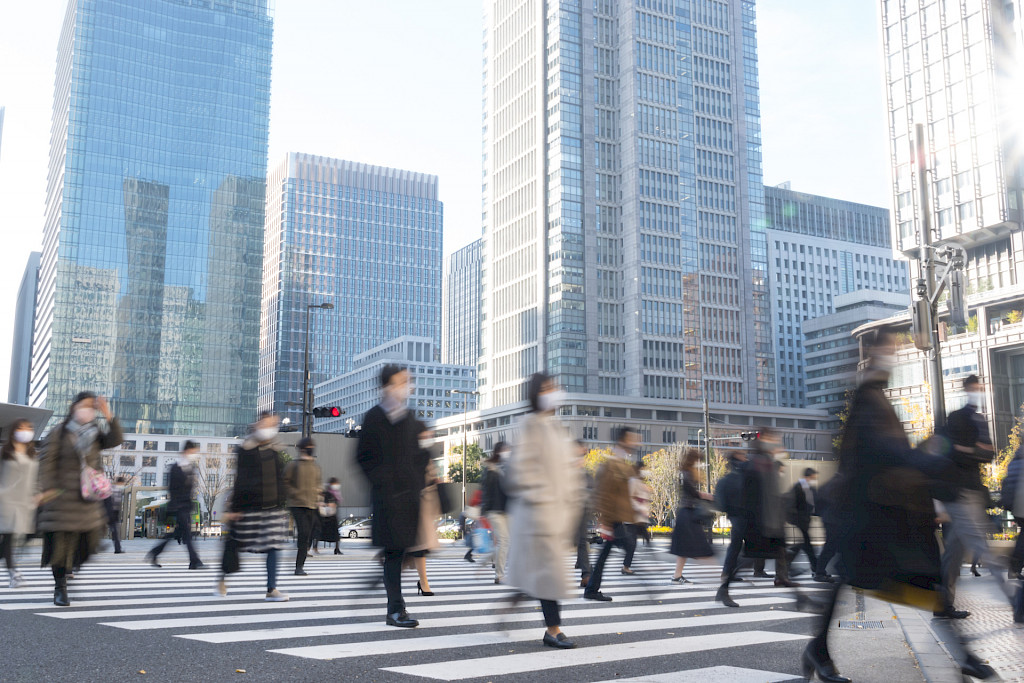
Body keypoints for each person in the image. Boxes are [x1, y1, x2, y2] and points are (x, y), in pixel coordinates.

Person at [805, 326, 995, 682]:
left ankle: (818, 650)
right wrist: (932, 458)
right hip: (870, 514)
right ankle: (818, 650)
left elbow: (890, 453)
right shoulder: (867, 399)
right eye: (889, 351)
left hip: (878, 512)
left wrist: (926, 458)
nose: (892, 358)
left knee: (919, 578)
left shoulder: (874, 397)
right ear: (873, 356)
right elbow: (883, 451)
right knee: (915, 577)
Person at [506, 372, 583, 648]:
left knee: (544, 572)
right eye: (549, 388)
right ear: (537, 393)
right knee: (549, 574)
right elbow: (521, 471)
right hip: (539, 513)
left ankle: (517, 597)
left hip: (556, 513)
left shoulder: (554, 426)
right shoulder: (530, 424)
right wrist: (542, 497)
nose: (555, 392)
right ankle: (553, 629)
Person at [356, 364, 429, 628]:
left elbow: (418, 457)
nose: (406, 386)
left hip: (409, 498)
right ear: (387, 386)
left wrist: (418, 481)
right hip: (387, 498)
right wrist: (383, 482)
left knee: (402, 552)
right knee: (395, 552)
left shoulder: (409, 417)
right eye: (401, 382)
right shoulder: (374, 417)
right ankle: (395, 610)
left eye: (407, 381)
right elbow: (362, 458)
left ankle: (390, 594)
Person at [936, 375, 1012, 620]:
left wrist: (967, 450)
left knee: (954, 553)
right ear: (967, 389)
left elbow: (988, 455)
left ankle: (942, 605)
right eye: (975, 389)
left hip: (968, 491)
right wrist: (974, 451)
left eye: (981, 389)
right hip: (961, 493)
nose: (978, 393)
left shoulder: (978, 420)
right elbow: (955, 451)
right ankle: (1015, 599)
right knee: (982, 545)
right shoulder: (957, 418)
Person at [37, 392, 123, 606]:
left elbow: (116, 440)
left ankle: (69, 567)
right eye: (84, 405)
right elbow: (46, 461)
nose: (88, 410)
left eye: (91, 407)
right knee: (60, 545)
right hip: (62, 497)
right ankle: (60, 588)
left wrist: (108, 414)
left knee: (88, 544)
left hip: (87, 498)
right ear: (74, 407)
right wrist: (48, 489)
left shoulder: (94, 432)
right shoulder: (59, 432)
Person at [218, 412, 290, 602]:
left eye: (273, 424)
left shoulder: (275, 450)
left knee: (274, 546)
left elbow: (280, 477)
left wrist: (282, 499)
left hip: (273, 507)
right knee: (237, 544)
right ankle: (223, 578)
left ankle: (271, 589)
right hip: (249, 506)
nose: (270, 428)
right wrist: (235, 508)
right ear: (258, 424)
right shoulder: (245, 449)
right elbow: (241, 480)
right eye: (267, 423)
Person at [584, 426, 641, 600]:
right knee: (615, 549)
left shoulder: (623, 463)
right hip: (612, 519)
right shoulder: (611, 464)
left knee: (608, 552)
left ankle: (592, 589)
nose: (636, 442)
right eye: (632, 438)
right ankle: (592, 589)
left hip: (617, 518)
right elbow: (603, 493)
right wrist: (605, 521)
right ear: (623, 440)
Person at [743, 427, 797, 589]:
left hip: (772, 517)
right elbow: (762, 493)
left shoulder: (766, 460)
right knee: (750, 557)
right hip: (764, 517)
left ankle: (782, 578)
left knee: (779, 550)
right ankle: (727, 580)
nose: (777, 442)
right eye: (773, 438)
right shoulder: (759, 461)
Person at [147, 441, 203, 569]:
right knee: (188, 535)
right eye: (193, 452)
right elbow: (171, 488)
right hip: (178, 505)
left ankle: (154, 553)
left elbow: (191, 488)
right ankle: (194, 561)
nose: (194, 454)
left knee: (174, 534)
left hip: (186, 505)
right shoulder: (175, 468)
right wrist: (176, 505)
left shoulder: (191, 467)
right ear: (187, 451)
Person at [0, 419, 39, 588]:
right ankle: (14, 574)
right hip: (5, 501)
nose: (25, 431)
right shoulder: (4, 452)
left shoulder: (32, 454)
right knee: (8, 538)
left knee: (9, 540)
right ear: (13, 431)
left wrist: (37, 495)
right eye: (21, 428)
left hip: (24, 503)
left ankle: (13, 572)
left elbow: (36, 479)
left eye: (28, 428)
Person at [669, 448, 715, 585]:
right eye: (697, 460)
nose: (698, 463)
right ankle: (720, 574)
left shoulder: (684, 472)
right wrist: (705, 495)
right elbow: (691, 491)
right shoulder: (686, 473)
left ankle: (677, 576)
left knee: (685, 546)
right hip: (688, 512)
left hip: (687, 512)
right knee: (699, 545)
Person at [715, 451, 754, 589]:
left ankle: (728, 572)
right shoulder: (743, 472)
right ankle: (729, 572)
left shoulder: (728, 477)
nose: (746, 457)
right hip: (744, 514)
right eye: (743, 456)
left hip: (735, 515)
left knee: (736, 545)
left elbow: (720, 502)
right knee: (747, 546)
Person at [284, 437, 322, 576]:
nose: (312, 448)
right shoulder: (293, 465)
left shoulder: (315, 467)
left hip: (312, 504)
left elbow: (318, 483)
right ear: (302, 448)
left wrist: (318, 495)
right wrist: (295, 493)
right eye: (309, 446)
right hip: (297, 504)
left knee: (308, 534)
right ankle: (298, 567)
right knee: (304, 532)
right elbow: (285, 482)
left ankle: (300, 564)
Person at [406, 448, 441, 596]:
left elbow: (432, 478)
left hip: (423, 504)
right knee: (412, 547)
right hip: (409, 504)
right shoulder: (405, 452)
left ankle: (423, 582)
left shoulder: (425, 455)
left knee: (420, 547)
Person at [787, 467, 825, 581]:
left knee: (804, 545)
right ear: (808, 476)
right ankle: (816, 569)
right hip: (800, 520)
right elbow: (793, 505)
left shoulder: (811, 488)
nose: (814, 479)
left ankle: (789, 564)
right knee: (807, 546)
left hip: (805, 520)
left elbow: (815, 504)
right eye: (813, 477)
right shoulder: (798, 487)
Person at [481, 442, 510, 585]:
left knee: (508, 542)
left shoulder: (506, 468)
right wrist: (484, 510)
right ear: (498, 451)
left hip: (507, 510)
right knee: (504, 541)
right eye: (506, 449)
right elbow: (486, 491)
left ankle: (486, 560)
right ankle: (499, 575)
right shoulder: (490, 469)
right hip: (495, 510)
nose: (508, 452)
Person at [573, 439, 595, 588]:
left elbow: (591, 488)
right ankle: (586, 571)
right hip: (569, 509)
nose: (585, 451)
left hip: (581, 509)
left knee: (581, 542)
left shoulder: (583, 469)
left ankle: (586, 573)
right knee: (580, 542)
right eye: (582, 449)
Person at [319, 478, 343, 555]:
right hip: (327, 516)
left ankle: (337, 549)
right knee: (321, 533)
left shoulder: (336, 494)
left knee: (336, 534)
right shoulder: (327, 493)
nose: (336, 485)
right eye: (335, 483)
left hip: (333, 515)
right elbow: (322, 503)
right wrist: (328, 504)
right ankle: (313, 548)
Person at [103, 475, 126, 554]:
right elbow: (109, 502)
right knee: (115, 532)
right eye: (123, 483)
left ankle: (118, 549)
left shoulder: (116, 490)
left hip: (112, 514)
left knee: (116, 533)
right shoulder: (112, 489)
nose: (123, 485)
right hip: (110, 514)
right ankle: (117, 549)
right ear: (120, 482)